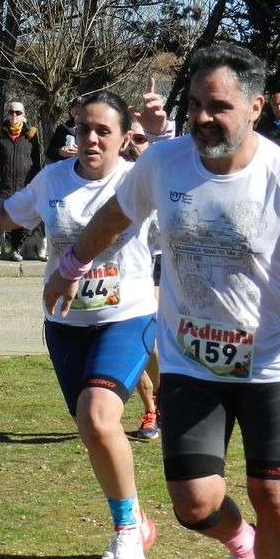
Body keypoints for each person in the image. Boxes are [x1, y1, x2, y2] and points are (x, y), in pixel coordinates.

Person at [43, 43, 280, 559]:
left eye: (216, 106)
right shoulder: (162, 164)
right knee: (193, 505)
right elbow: (115, 217)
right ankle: (242, 549)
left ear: (256, 107)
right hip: (191, 360)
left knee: (274, 498)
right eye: (193, 103)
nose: (199, 117)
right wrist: (72, 266)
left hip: (270, 364)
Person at [0, 91, 173, 559]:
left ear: (124, 137)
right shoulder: (54, 179)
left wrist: (163, 135)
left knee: (99, 419)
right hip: (65, 324)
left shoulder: (140, 180)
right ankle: (137, 519)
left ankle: (125, 530)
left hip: (129, 316)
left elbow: (189, 186)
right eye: (83, 129)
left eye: (104, 130)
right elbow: (5, 215)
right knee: (92, 430)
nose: (92, 138)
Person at [122, 119, 161, 442]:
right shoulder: (115, 174)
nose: (135, 143)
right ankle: (151, 408)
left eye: (141, 137)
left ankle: (165, 402)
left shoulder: (163, 168)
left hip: (162, 260)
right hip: (127, 267)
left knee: (156, 344)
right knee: (140, 343)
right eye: (130, 137)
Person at [0, 101, 43, 261]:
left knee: (20, 216)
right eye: (11, 112)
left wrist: (34, 183)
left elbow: (36, 161)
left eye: (18, 112)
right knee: (0, 214)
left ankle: (15, 249)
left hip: (23, 184)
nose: (14, 115)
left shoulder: (31, 135)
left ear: (23, 115)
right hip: (3, 184)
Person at [46, 95, 84, 163]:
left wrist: (81, 153)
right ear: (72, 110)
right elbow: (49, 153)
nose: (79, 110)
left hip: (83, 171)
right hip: (65, 170)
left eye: (82, 107)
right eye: (77, 107)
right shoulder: (62, 129)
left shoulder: (92, 129)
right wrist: (60, 152)